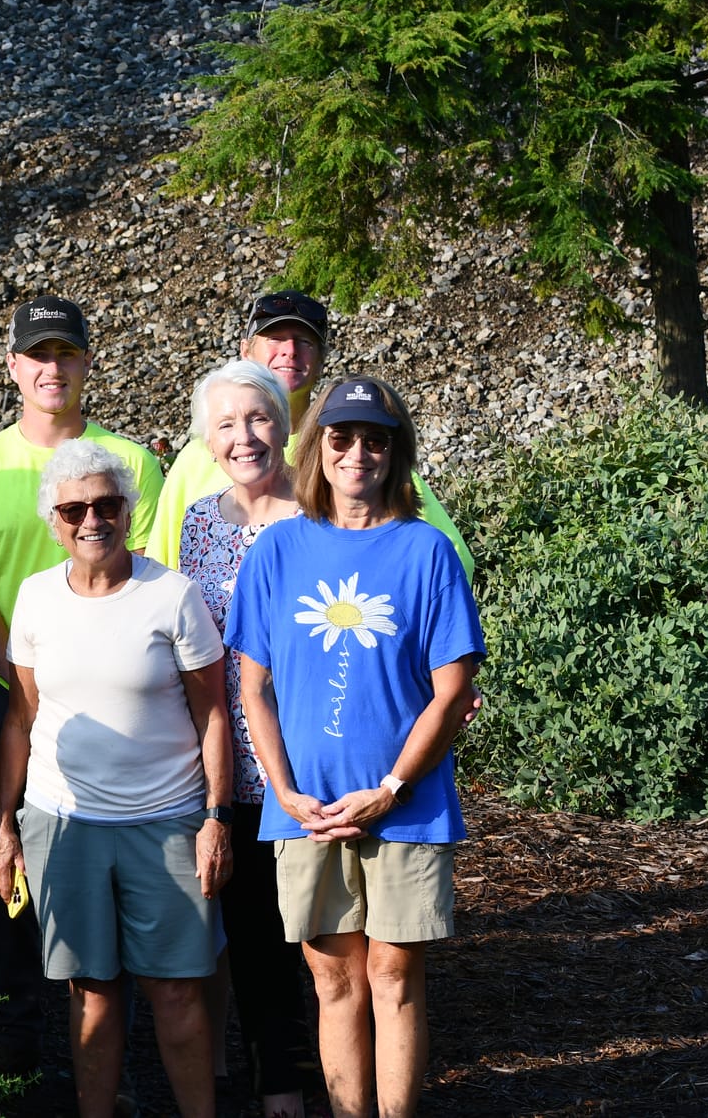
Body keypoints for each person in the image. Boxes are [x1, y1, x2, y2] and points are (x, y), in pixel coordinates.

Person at [225, 375, 484, 1118]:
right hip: (305, 812)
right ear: (318, 448)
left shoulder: (426, 550)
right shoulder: (278, 550)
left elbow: (451, 693)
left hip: (407, 807)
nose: (357, 451)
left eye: (376, 437)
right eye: (342, 435)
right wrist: (284, 791)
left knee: (395, 978)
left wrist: (392, 786)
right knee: (334, 983)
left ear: (395, 452)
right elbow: (252, 691)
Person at [0, 294, 165, 1069]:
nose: (51, 368)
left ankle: (102, 1052)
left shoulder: (132, 463)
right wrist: (27, 665)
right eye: (37, 355)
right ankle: (11, 1039)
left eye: (66, 352)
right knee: (0, 859)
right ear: (11, 368)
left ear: (87, 361)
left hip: (113, 693)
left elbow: (156, 574)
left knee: (103, 853)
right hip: (3, 689)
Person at [0, 439, 233, 1118]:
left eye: (106, 504)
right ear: (54, 520)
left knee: (178, 988)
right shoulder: (36, 599)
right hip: (64, 823)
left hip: (168, 819)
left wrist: (218, 816)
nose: (91, 519)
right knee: (91, 991)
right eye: (74, 508)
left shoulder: (173, 596)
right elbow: (19, 718)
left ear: (127, 512)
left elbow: (213, 711)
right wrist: (4, 827)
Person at [177, 360, 314, 1118]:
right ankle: (280, 1091)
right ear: (206, 437)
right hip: (238, 771)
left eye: (258, 418)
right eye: (226, 423)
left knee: (326, 942)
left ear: (284, 425)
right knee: (257, 942)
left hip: (318, 759)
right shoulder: (201, 519)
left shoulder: (323, 510)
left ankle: (347, 1077)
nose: (244, 436)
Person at [146, 291, 472, 577]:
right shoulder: (194, 459)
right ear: (246, 350)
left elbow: (448, 557)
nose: (290, 351)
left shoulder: (352, 456)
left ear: (321, 359)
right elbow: (163, 567)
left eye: (304, 342)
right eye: (274, 339)